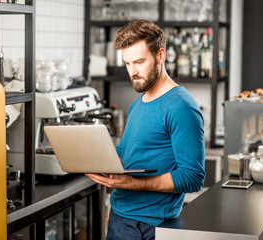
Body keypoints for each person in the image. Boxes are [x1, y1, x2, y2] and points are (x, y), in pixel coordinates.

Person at [86, 19, 205, 240]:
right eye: (127, 63)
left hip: (149, 226)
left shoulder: (181, 106)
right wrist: (99, 161)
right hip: (119, 217)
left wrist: (133, 183)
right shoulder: (137, 103)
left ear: (160, 56)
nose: (133, 71)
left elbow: (192, 177)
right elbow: (124, 152)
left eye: (139, 62)